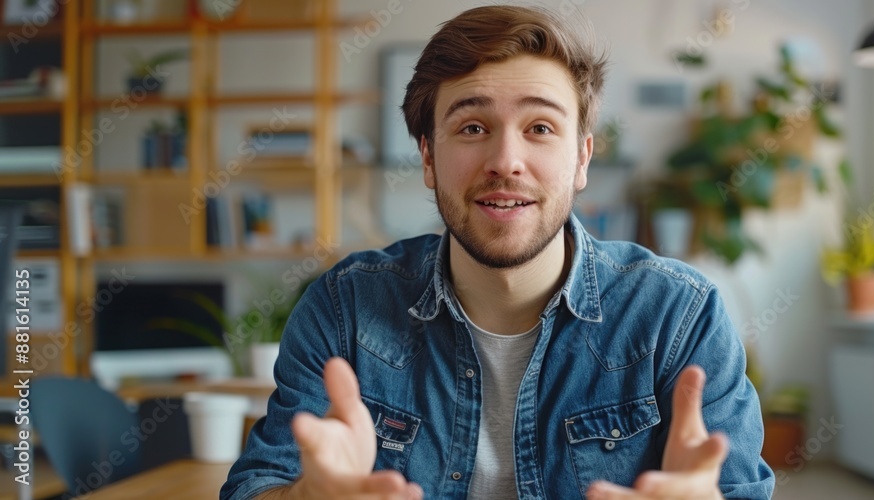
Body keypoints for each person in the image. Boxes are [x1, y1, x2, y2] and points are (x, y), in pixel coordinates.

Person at [222, 5, 774, 499]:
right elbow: (257, 486)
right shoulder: (344, 308)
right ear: (428, 157)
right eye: (473, 126)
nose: (505, 160)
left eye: (539, 127)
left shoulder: (678, 315)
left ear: (582, 158)